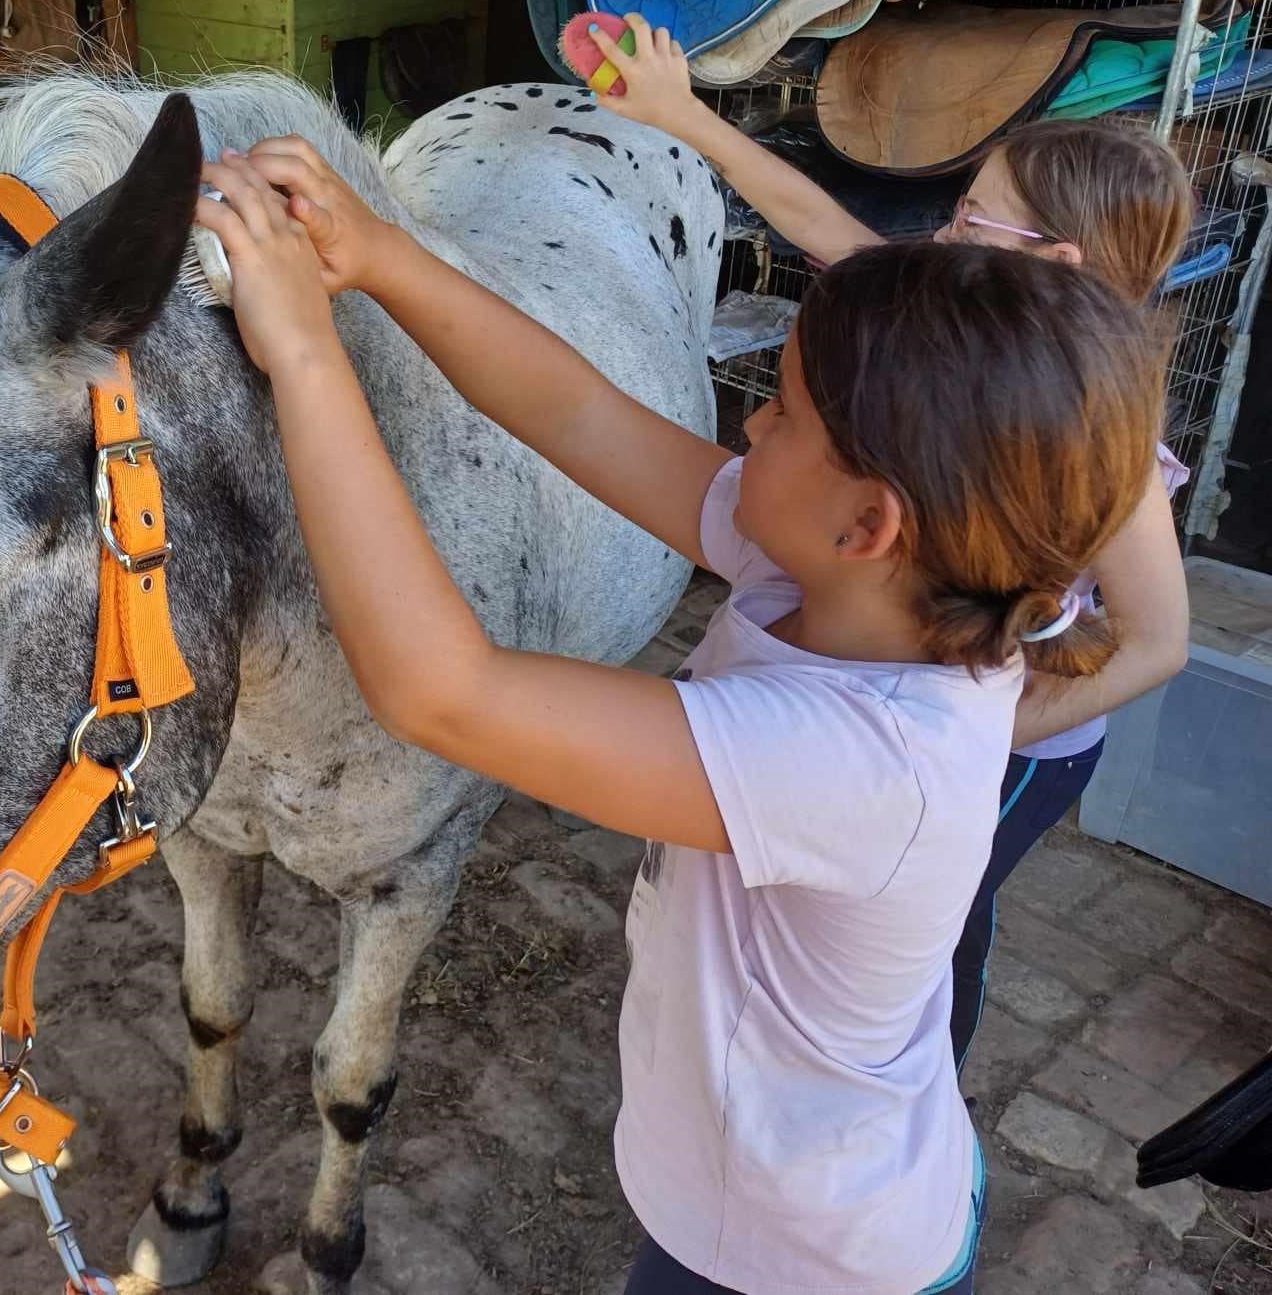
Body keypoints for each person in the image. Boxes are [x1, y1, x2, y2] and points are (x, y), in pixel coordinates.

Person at [191, 145, 1165, 1294]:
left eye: (784, 414)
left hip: (798, 1259)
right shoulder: (841, 585)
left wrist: (305, 352)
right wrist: (380, 259)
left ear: (868, 524)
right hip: (764, 1198)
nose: (750, 430)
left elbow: (437, 690)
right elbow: (581, 416)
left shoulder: (863, 760)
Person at [594, 15, 1196, 1067]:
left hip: (1015, 744)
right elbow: (820, 229)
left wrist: (980, 737)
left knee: (936, 927)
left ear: (1052, 264)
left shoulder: (1116, 448)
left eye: (972, 219)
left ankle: (898, 1089)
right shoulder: (977, 336)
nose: (944, 235)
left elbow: (1157, 643)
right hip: (922, 719)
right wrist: (678, 113)